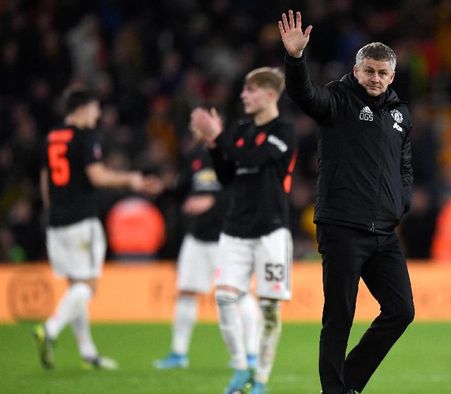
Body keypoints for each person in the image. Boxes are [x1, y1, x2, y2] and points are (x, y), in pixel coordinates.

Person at [279, 10, 415, 394]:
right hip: (342, 228)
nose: (375, 78)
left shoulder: (401, 114)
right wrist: (295, 59)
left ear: (392, 76)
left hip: (383, 232)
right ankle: (335, 390)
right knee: (340, 316)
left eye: (382, 73)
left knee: (402, 311)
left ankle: (349, 381)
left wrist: (401, 202)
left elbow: (405, 166)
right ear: (356, 71)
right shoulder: (338, 101)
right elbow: (305, 95)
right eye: (369, 71)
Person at [34, 88, 162, 370]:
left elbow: (45, 180)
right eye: (95, 108)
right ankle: (50, 329)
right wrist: (132, 180)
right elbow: (97, 175)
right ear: (81, 109)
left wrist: (52, 211)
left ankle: (88, 353)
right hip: (82, 220)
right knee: (87, 286)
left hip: (56, 222)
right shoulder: (85, 136)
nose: (98, 114)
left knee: (75, 287)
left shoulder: (52, 136)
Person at [189, 67, 297, 394]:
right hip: (236, 228)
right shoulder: (241, 129)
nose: (243, 96)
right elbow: (227, 176)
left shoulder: (284, 131)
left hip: (271, 231)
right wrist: (212, 144)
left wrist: (219, 137)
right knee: (223, 298)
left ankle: (261, 379)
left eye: (250, 91)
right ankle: (240, 368)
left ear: (269, 94)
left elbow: (257, 158)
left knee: (268, 309)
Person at [153, 133, 260, 369]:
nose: (193, 128)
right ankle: (179, 354)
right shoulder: (194, 157)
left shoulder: (231, 154)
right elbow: (183, 191)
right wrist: (162, 190)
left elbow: (243, 191)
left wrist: (212, 202)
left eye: (199, 123)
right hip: (197, 238)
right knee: (187, 293)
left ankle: (252, 353)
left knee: (239, 294)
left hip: (228, 238)